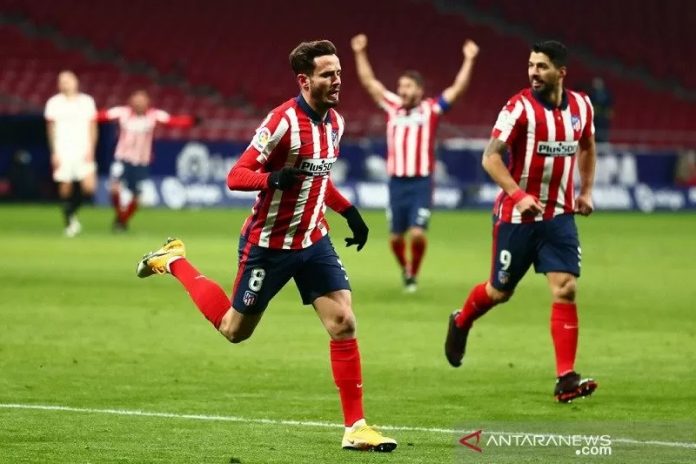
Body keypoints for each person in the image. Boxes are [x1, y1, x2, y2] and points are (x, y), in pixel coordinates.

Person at [135, 40, 397, 452]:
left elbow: (318, 177)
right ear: (304, 80)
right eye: (328, 74)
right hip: (268, 245)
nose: (337, 81)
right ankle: (174, 261)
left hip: (313, 239)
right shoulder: (281, 122)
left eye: (339, 73)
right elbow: (237, 175)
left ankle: (356, 427)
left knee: (343, 321)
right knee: (234, 330)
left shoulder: (335, 124)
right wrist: (270, 179)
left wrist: (350, 212)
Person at [444, 40, 598, 403]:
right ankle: (461, 321)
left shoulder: (582, 107)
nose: (533, 72)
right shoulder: (519, 108)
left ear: (561, 72)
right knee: (499, 292)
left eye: (541, 66)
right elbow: (491, 157)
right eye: (530, 65)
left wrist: (586, 190)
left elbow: (588, 146)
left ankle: (565, 378)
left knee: (566, 288)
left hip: (559, 217)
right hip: (517, 218)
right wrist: (517, 194)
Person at [351, 33, 479, 292]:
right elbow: (369, 82)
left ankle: (414, 273)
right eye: (401, 86)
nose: (403, 90)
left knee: (418, 233)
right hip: (396, 182)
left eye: (408, 86)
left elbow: (457, 89)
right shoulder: (392, 106)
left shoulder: (430, 109)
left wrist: (469, 59)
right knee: (396, 238)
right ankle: (405, 270)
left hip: (421, 181)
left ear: (419, 90)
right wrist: (359, 52)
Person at [98, 90, 196, 231]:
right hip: (122, 158)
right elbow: (103, 116)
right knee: (114, 189)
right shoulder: (122, 112)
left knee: (137, 197)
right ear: (131, 101)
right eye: (136, 100)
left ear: (147, 102)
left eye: (142, 100)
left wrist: (192, 121)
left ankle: (122, 221)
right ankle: (120, 218)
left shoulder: (154, 115)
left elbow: (173, 121)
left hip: (141, 162)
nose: (139, 103)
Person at [44, 70, 98, 237]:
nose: (65, 84)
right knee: (65, 186)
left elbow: (93, 127)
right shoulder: (53, 103)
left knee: (89, 187)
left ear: (76, 82)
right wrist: (54, 152)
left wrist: (91, 148)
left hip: (83, 149)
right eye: (62, 81)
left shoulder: (87, 101)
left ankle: (72, 212)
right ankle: (69, 221)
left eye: (68, 80)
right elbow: (50, 129)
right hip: (63, 149)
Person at [587, 77, 613, 143]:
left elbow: (610, 106)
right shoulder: (591, 93)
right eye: (595, 83)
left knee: (603, 135)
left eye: (597, 83)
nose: (596, 85)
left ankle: (604, 141)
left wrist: (607, 112)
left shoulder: (607, 94)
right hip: (594, 119)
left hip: (604, 120)